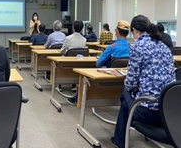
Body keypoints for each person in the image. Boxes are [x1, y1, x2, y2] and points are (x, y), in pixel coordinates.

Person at [111, 15, 175, 148]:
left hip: (149, 112)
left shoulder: (138, 46)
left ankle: (120, 141)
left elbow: (131, 83)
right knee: (129, 96)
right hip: (168, 110)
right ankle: (119, 139)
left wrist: (130, 83)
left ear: (134, 30)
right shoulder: (165, 47)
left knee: (125, 92)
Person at [67, 20, 131, 105]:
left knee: (85, 76)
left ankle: (77, 99)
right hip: (125, 79)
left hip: (109, 79)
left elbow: (98, 64)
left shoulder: (111, 47)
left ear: (116, 32)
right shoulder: (131, 47)